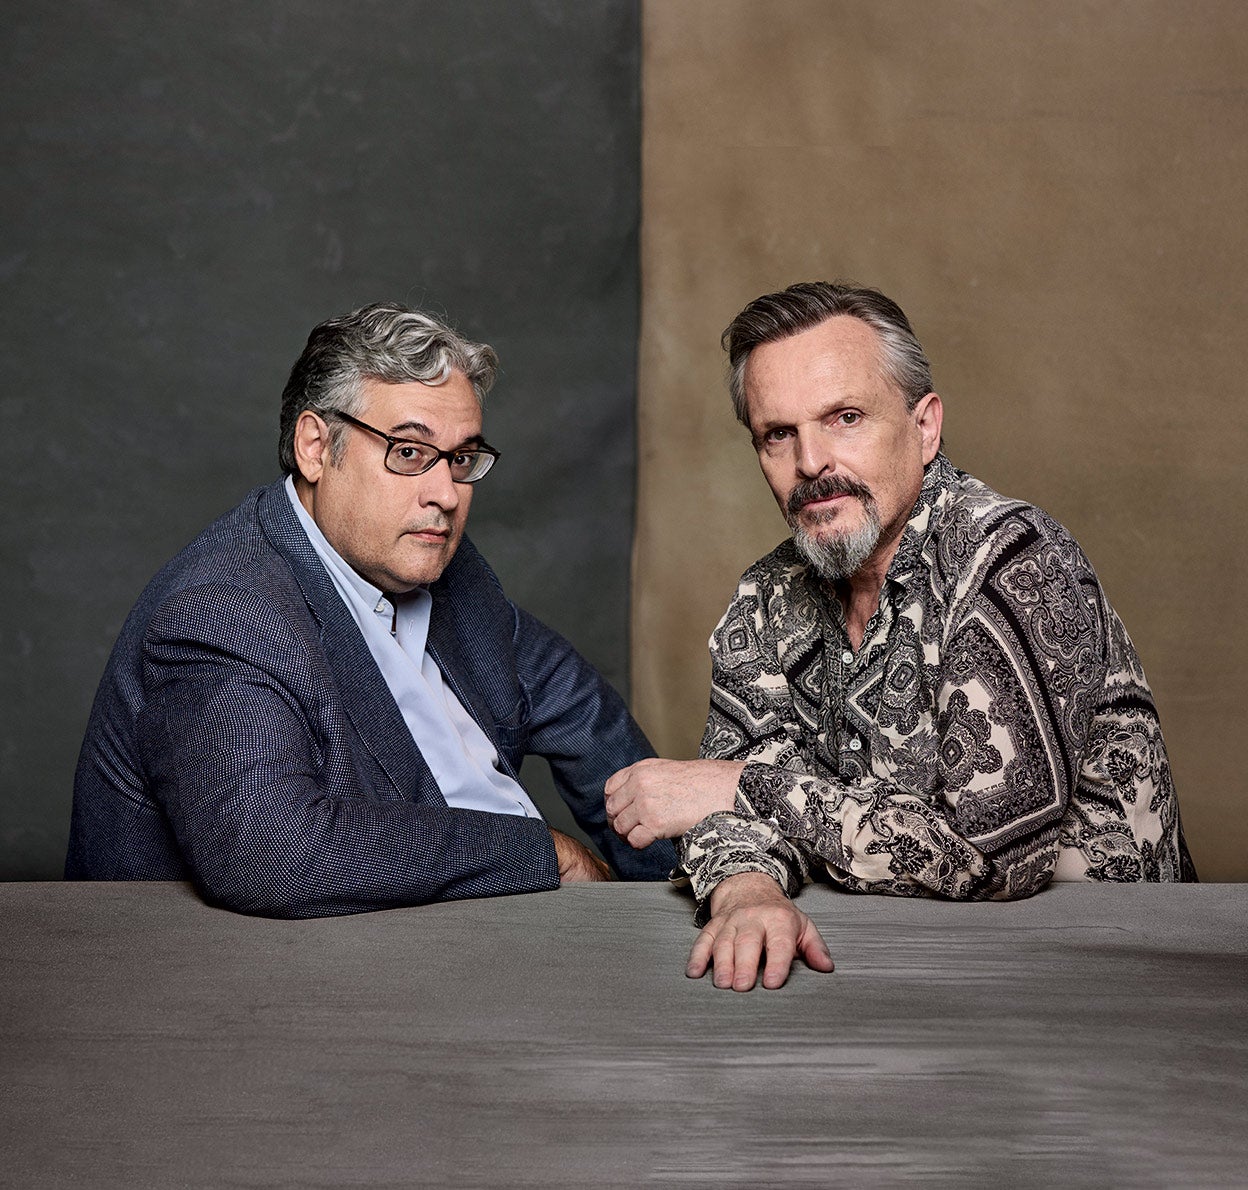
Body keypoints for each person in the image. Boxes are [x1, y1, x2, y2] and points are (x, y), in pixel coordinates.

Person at [604, 281, 1195, 991]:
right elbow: (724, 811)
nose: (811, 462)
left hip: (1106, 971)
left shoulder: (1012, 561)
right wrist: (749, 894)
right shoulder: (767, 596)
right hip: (887, 971)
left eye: (845, 418)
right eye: (778, 434)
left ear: (925, 427)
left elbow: (991, 857)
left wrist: (737, 786)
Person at [68, 302, 676, 916]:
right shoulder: (224, 608)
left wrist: (695, 885)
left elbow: (582, 714)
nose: (445, 494)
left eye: (460, 458)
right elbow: (273, 855)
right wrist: (546, 856)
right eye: (409, 452)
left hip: (486, 935)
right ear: (315, 447)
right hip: (295, 964)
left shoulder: (437, 564)